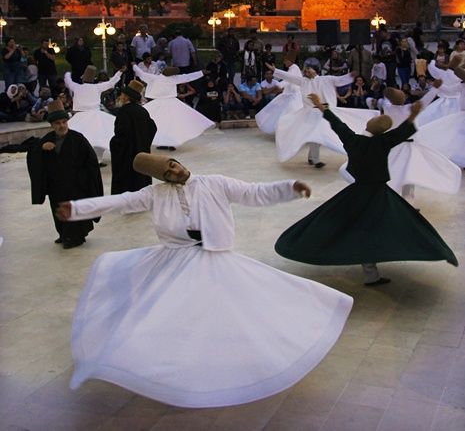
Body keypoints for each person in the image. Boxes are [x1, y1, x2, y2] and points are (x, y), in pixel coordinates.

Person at [55, 152, 353, 408]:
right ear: (162, 179)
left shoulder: (214, 182)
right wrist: (78, 209)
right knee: (164, 314)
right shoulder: (155, 195)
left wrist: (289, 187)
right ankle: (166, 366)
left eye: (173, 164)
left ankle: (230, 359)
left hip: (215, 257)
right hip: (175, 261)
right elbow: (121, 202)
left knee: (238, 308)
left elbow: (254, 192)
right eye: (167, 172)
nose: (174, 170)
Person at [275, 94, 458, 286]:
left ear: (371, 126)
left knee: (353, 227)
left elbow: (338, 125)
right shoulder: (382, 142)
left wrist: (322, 107)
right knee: (399, 224)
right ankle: (374, 270)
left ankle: (370, 272)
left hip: (358, 194)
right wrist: (413, 115)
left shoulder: (354, 141)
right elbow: (402, 132)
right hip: (379, 195)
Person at [27, 99, 103, 249]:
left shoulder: (78, 139)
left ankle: (75, 238)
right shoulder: (47, 139)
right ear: (52, 125)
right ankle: (63, 234)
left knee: (74, 212)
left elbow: (92, 162)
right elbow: (33, 155)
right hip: (56, 187)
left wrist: (84, 180)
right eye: (58, 123)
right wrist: (42, 148)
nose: (62, 126)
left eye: (64, 122)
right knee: (58, 211)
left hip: (76, 186)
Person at [133, 65, 214, 149]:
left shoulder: (155, 78)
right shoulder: (173, 78)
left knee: (161, 123)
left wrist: (134, 66)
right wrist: (201, 73)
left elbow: (141, 74)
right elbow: (188, 77)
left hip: (161, 103)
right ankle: (169, 143)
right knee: (172, 124)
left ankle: (166, 143)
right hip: (170, 103)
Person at [65, 65, 122, 164]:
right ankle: (97, 159)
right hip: (95, 116)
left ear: (83, 79)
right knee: (98, 137)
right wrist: (119, 73)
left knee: (81, 137)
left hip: (81, 116)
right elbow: (111, 82)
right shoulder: (97, 87)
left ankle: (88, 157)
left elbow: (68, 81)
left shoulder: (77, 87)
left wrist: (67, 74)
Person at [110, 80, 157, 194]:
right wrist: (144, 142)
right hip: (142, 153)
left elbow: (121, 135)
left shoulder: (123, 112)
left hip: (127, 157)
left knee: (128, 183)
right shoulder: (143, 111)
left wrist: (113, 143)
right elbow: (153, 128)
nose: (120, 96)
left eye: (122, 94)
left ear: (127, 97)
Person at [255, 55, 302, 135]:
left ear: (290, 60)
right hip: (289, 95)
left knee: (290, 115)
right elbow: (287, 78)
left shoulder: (294, 68)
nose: (284, 62)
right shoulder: (292, 69)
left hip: (294, 97)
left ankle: (291, 134)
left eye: (285, 60)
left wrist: (275, 71)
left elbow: (288, 78)